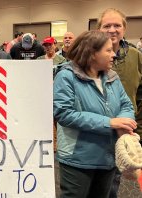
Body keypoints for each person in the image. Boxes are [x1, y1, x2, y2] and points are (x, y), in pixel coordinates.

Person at [54, 30, 136, 198]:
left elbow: (126, 105)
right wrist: (110, 123)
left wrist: (125, 122)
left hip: (107, 156)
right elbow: (64, 113)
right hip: (78, 159)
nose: (114, 54)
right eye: (108, 50)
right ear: (91, 53)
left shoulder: (112, 77)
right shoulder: (66, 77)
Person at [97, 8, 142, 197]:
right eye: (107, 25)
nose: (112, 30)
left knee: (121, 180)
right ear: (99, 29)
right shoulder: (89, 56)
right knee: (103, 184)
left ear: (124, 29)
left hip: (128, 131)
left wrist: (138, 129)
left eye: (117, 25)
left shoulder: (135, 56)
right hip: (98, 131)